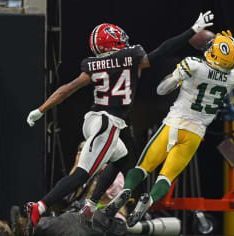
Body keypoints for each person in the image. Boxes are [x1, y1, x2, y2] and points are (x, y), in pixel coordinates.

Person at [23, 10, 215, 235]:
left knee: (122, 157)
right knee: (82, 174)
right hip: (108, 123)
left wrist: (40, 110)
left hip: (95, 119)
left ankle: (90, 205)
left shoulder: (93, 64)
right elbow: (164, 50)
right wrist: (192, 30)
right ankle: (40, 206)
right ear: (112, 41)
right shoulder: (132, 57)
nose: (124, 41)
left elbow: (68, 89)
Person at [104, 30, 234, 227]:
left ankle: (127, 191)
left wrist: (177, 75)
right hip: (196, 132)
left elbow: (162, 90)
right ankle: (150, 199)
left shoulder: (193, 65)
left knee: (143, 167)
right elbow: (232, 66)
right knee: (167, 177)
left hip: (175, 123)